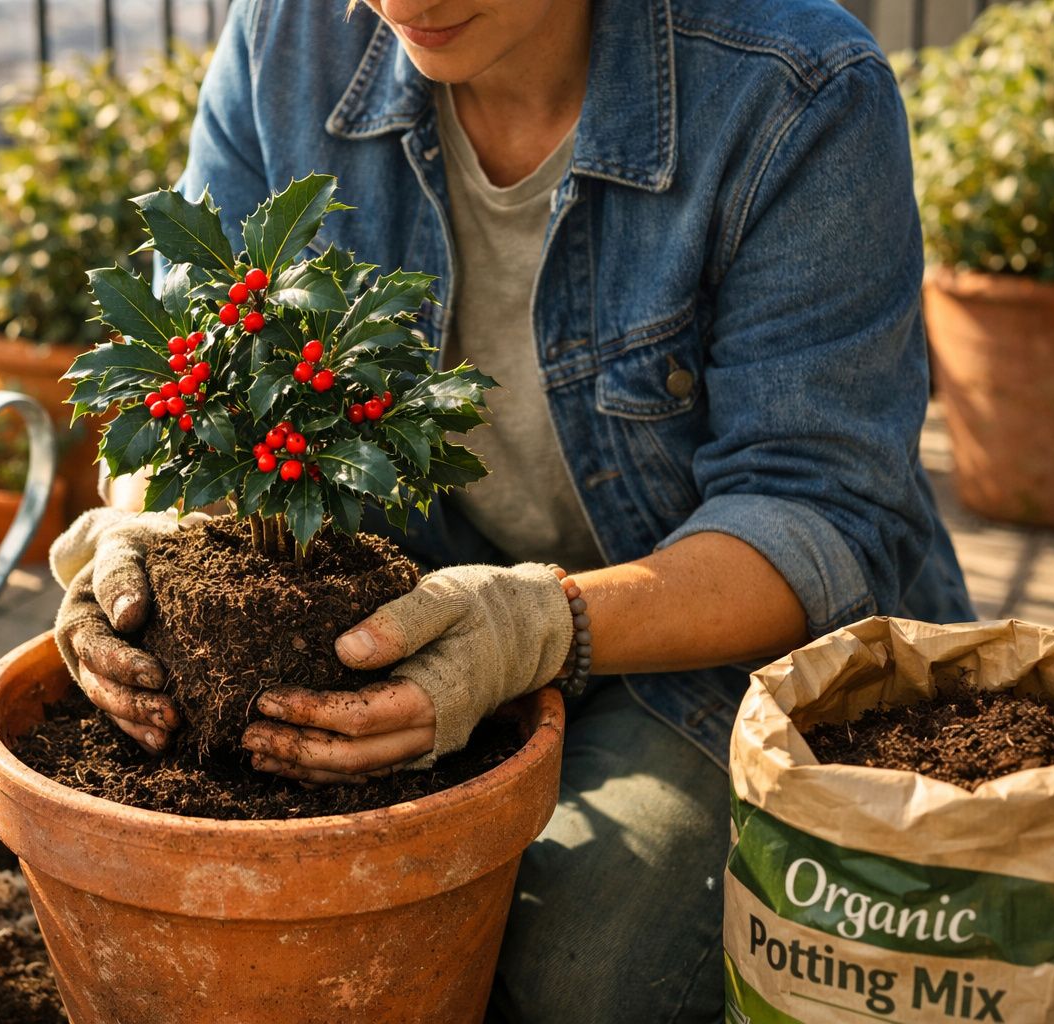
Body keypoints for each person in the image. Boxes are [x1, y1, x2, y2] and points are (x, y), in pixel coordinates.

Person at [48, 0, 975, 1019]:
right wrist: (152, 530)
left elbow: (816, 505)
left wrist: (540, 625)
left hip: (722, 648)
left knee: (578, 974)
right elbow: (195, 369)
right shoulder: (289, 39)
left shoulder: (797, 89)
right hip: (437, 611)